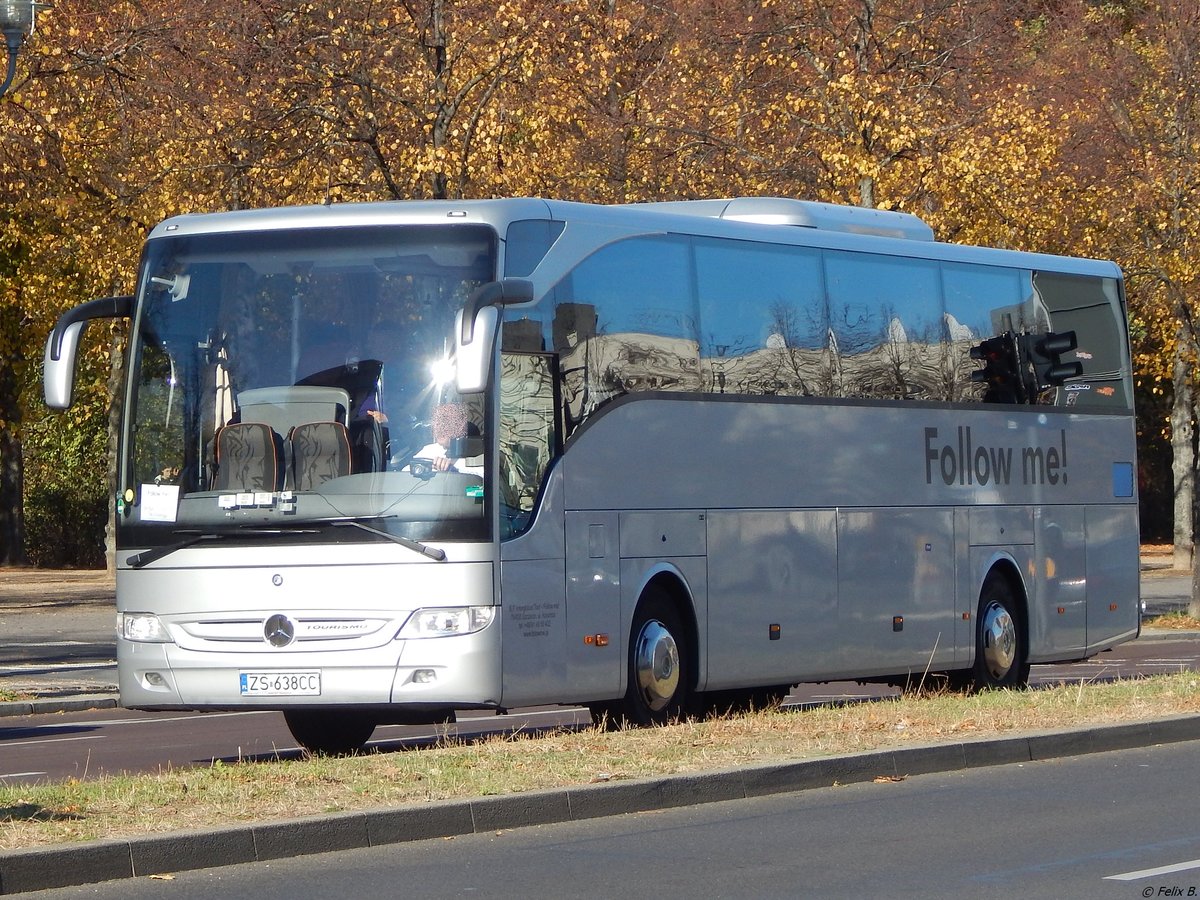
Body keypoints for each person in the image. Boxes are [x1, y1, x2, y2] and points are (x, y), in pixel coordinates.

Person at [412, 402, 483, 476]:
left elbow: (485, 479)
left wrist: (453, 472)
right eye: (437, 422)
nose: (439, 427)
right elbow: (405, 473)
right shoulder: (429, 451)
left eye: (445, 422)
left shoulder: (479, 459)